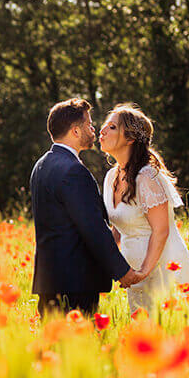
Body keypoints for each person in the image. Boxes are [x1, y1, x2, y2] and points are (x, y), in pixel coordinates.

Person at [31, 98, 142, 318]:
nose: (93, 130)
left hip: (49, 281)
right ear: (75, 131)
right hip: (76, 283)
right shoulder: (73, 171)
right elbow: (92, 229)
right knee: (77, 348)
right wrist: (123, 272)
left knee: (54, 348)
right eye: (89, 125)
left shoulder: (41, 165)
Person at [98, 103, 189, 316]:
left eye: (112, 127)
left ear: (130, 138)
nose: (102, 130)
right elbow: (119, 227)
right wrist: (110, 262)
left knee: (168, 330)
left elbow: (161, 231)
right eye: (104, 125)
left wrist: (143, 272)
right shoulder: (111, 177)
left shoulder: (147, 177)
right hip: (134, 268)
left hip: (162, 265)